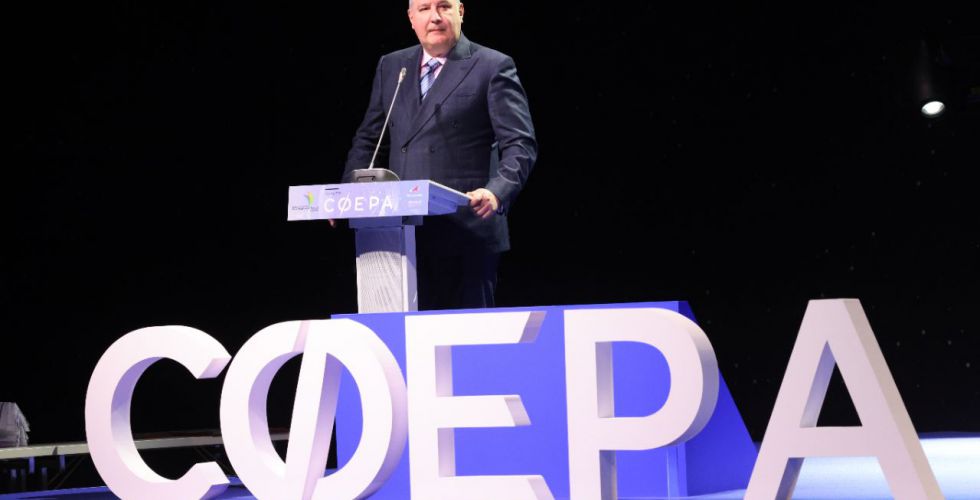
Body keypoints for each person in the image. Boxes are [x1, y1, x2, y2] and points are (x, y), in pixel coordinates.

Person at [342, 0, 537, 310]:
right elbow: (369, 139)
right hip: (402, 235)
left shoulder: (492, 65)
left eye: (444, 7)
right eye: (424, 9)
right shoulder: (392, 66)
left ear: (461, 12)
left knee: (467, 336)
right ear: (411, 18)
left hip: (467, 234)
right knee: (405, 335)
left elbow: (520, 144)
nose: (434, 17)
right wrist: (347, 192)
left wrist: (497, 191)